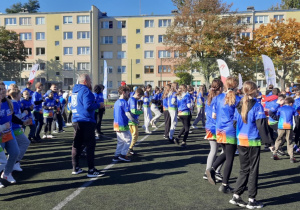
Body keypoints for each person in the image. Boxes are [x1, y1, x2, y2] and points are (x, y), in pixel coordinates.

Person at [229, 81, 270, 209]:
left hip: (241, 140)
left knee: (244, 169)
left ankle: (236, 195)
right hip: (252, 141)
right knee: (253, 170)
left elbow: (235, 123)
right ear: (254, 90)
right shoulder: (257, 106)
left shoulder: (239, 104)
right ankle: (252, 200)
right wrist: (270, 143)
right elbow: (261, 125)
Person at [206, 76, 240, 193]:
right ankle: (224, 184)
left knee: (226, 153)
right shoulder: (237, 99)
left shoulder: (218, 97)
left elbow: (214, 115)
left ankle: (212, 169)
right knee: (230, 158)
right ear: (236, 86)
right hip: (230, 130)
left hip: (219, 129)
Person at [70, 74, 104, 177]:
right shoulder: (85, 90)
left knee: (77, 145)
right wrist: (99, 105)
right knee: (90, 145)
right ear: (85, 81)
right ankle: (91, 170)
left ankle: (75, 167)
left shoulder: (75, 91)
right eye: (89, 80)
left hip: (76, 120)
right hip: (86, 121)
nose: (91, 82)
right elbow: (88, 106)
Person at [203, 79, 224, 181]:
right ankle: (217, 171)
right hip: (218, 127)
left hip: (209, 126)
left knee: (213, 150)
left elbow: (207, 114)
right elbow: (217, 115)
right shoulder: (219, 98)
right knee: (225, 151)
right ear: (220, 88)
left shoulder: (208, 98)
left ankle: (207, 171)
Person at [270, 97, 298, 163]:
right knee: (289, 141)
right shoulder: (293, 109)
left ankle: (274, 153)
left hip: (280, 126)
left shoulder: (280, 108)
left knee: (278, 139)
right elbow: (296, 119)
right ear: (291, 103)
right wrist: (296, 127)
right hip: (289, 126)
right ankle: (291, 157)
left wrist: (278, 119)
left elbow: (275, 114)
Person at [9, 90, 31, 172]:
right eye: (20, 95)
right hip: (14, 128)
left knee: (17, 145)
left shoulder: (14, 103)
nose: (20, 96)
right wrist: (24, 114)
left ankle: (14, 162)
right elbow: (16, 116)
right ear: (16, 95)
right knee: (25, 142)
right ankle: (15, 161)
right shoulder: (14, 103)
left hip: (15, 127)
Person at [113, 86, 136, 162]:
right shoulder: (124, 102)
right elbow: (127, 114)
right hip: (122, 124)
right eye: (127, 92)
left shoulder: (116, 102)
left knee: (120, 141)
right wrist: (134, 120)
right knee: (128, 140)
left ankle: (116, 155)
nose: (128, 93)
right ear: (123, 92)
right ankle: (123, 155)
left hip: (116, 124)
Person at [128, 88, 144, 155]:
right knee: (135, 135)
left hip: (132, 119)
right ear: (137, 94)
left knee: (133, 135)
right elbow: (133, 111)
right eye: (140, 96)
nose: (140, 98)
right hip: (132, 120)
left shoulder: (133, 99)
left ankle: (130, 147)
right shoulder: (132, 99)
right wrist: (140, 111)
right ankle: (130, 148)